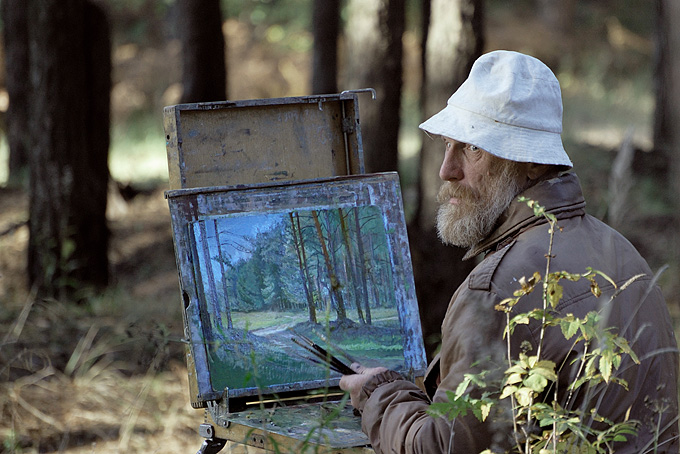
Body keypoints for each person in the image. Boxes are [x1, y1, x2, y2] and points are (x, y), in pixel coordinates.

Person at [339, 50, 679, 453]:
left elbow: (438, 448)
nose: (447, 170)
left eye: (473, 149)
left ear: (533, 164)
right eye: (449, 145)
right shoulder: (621, 251)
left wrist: (381, 392)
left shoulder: (497, 290)